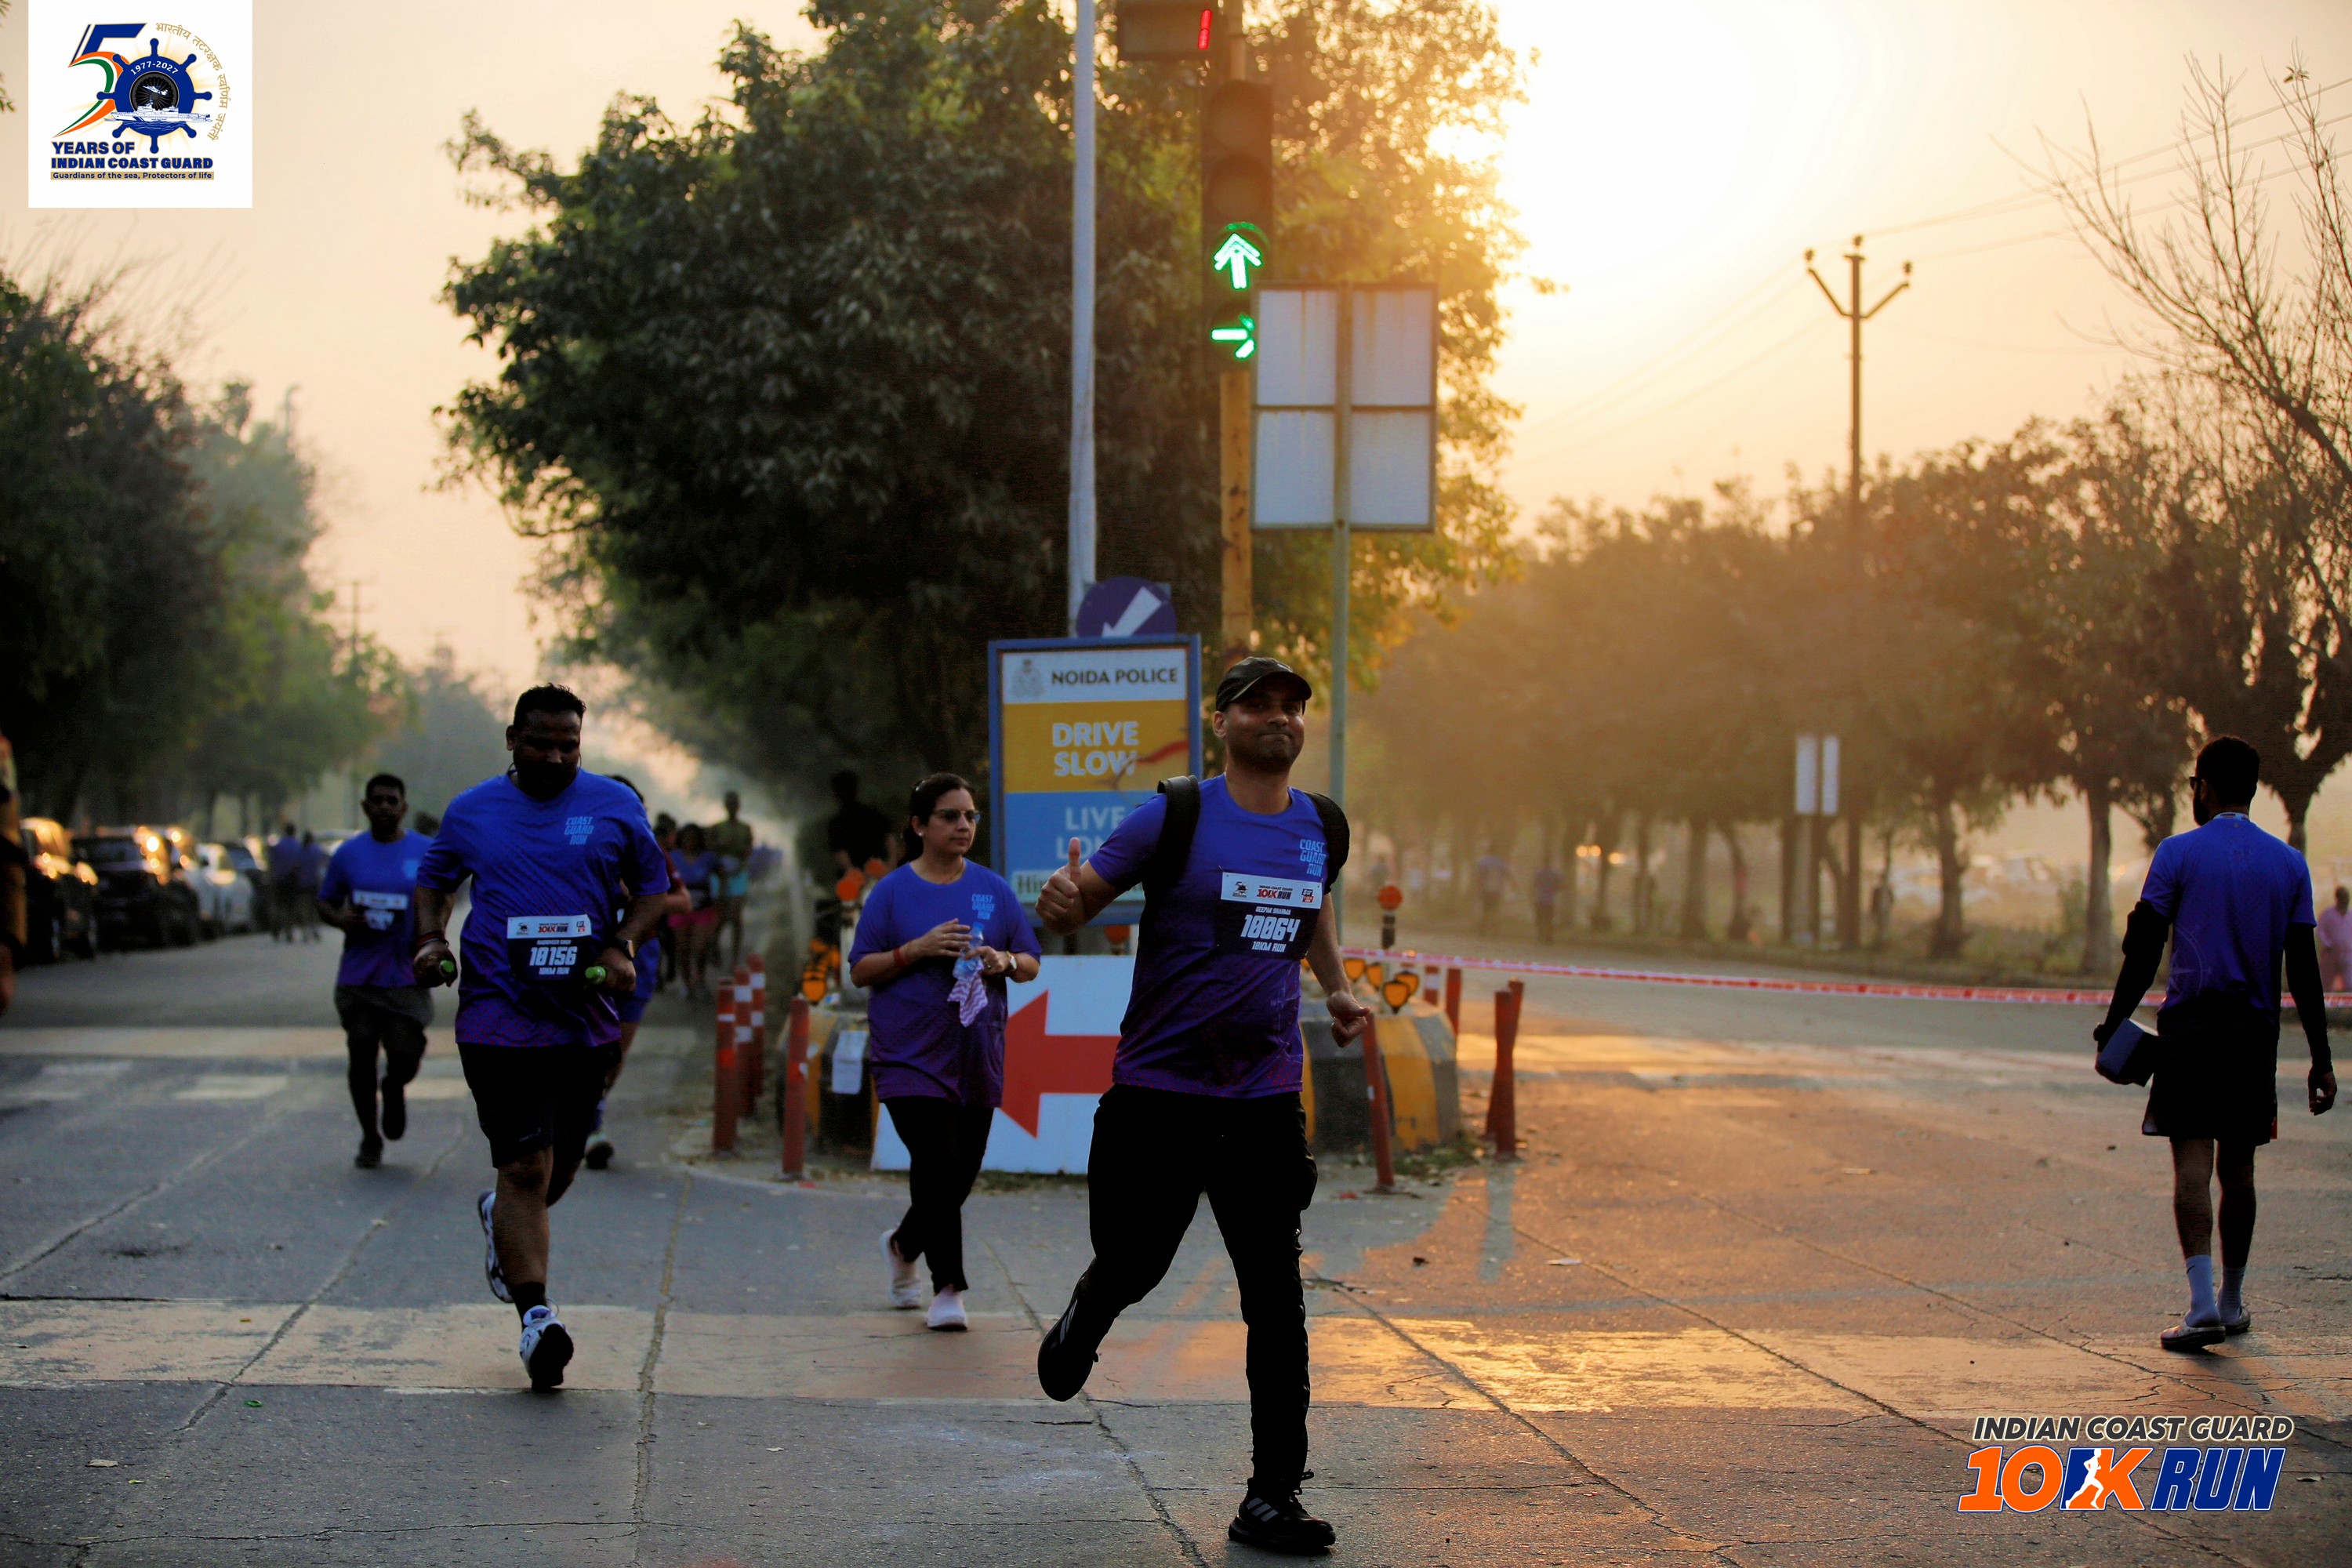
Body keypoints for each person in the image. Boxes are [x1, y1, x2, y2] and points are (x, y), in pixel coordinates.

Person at [1033, 655, 1371, 1555]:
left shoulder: (1321, 825)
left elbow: (1311, 907)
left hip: (1263, 1099)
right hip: (1160, 1094)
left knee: (1276, 1299)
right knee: (1136, 1259)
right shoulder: (1174, 814)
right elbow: (1077, 904)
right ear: (1220, 722)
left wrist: (1337, 986)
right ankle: (1090, 1309)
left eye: (1292, 705)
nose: (1278, 717)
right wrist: (1060, 899)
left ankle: (1272, 1494)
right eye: (1257, 704)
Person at [412, 684, 671, 1392]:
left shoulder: (614, 805)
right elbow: (434, 883)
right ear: (511, 739)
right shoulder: (472, 810)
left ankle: (502, 1218)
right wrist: (432, 939)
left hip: (584, 1018)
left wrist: (622, 944)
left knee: (559, 1169)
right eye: (540, 743)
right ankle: (536, 1320)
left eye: (568, 745)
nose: (555, 757)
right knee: (525, 1166)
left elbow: (654, 891)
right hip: (497, 1014)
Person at [2094, 736, 2336, 1352]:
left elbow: (2144, 947)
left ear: (2203, 786)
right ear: (2251, 789)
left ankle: (2200, 1304)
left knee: (2193, 1166)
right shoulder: (2289, 864)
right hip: (2253, 1035)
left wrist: (2115, 1020)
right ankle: (2231, 1301)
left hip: (2190, 1031)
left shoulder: (2177, 854)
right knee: (2240, 1168)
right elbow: (2303, 969)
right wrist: (2321, 1058)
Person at [848, 774, 1042, 1330]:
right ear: (919, 825)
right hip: (907, 1055)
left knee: (958, 1175)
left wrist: (1004, 961)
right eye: (950, 816)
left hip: (975, 1052)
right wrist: (914, 950)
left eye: (970, 816)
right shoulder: (892, 892)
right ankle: (948, 1289)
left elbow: (1030, 961)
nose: (963, 826)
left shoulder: (993, 889)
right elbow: (861, 969)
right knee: (937, 1161)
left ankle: (904, 1244)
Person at [317, 775, 434, 1169]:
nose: (384, 806)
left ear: (403, 808)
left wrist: (431, 940)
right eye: (377, 800)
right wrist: (341, 919)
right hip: (360, 976)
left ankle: (395, 1085)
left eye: (391, 800)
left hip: (406, 975)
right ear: (366, 807)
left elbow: (442, 898)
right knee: (362, 1050)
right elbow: (325, 902)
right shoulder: (348, 854)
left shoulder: (425, 851)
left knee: (405, 1052)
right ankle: (370, 1137)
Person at [584, 778, 691, 1172]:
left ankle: (592, 1115)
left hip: (637, 958)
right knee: (580, 1041)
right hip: (583, 955)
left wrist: (640, 899)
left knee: (614, 1051)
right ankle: (586, 1123)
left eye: (638, 809)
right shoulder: (575, 842)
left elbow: (683, 901)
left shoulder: (649, 851)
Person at [707, 790, 756, 972]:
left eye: (734, 803)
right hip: (720, 875)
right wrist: (721, 845)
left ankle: (735, 958)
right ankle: (714, 947)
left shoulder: (746, 828)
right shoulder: (717, 828)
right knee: (720, 916)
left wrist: (742, 851)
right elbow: (708, 847)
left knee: (735, 916)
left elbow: (749, 848)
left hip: (738, 874)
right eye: (730, 803)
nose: (732, 807)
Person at [670, 824, 719, 1000]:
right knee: (683, 948)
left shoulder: (709, 858)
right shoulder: (673, 857)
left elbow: (722, 875)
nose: (690, 842)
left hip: (703, 908)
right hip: (679, 909)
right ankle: (686, 983)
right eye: (687, 838)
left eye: (694, 838)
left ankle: (700, 980)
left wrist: (720, 898)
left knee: (700, 947)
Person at [826, 770, 895, 875]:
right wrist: (890, 866)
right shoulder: (873, 814)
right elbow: (890, 841)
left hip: (859, 877)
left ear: (836, 795)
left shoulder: (837, 823)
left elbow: (841, 854)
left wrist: (853, 873)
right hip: (881, 870)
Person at [268, 823, 305, 942]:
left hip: (279, 879)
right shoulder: (298, 846)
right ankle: (289, 931)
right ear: (294, 832)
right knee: (291, 907)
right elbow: (301, 865)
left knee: (279, 905)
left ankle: (277, 926)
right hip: (293, 880)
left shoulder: (278, 846)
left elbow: (271, 862)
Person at [2318, 885, 2352, 993]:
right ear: (2338, 898)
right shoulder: (2328, 914)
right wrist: (2327, 944)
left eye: (2347, 897)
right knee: (2327, 984)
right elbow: (2321, 930)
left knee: (2350, 983)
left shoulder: (2350, 915)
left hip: (2347, 954)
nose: (2345, 900)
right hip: (2331, 954)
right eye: (2343, 897)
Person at [295, 831, 326, 943]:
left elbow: (296, 867)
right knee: (315, 908)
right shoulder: (317, 850)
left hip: (302, 884)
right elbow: (322, 866)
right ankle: (315, 929)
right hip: (315, 883)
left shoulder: (300, 851)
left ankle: (305, 932)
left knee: (304, 908)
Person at [1473, 847, 1513, 936]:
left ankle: (1482, 931)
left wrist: (1478, 888)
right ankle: (1495, 931)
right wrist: (1514, 887)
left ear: (1488, 851)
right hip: (1497, 891)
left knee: (1485, 911)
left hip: (1485, 890)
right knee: (1495, 911)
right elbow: (1508, 875)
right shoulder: (1501, 863)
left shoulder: (1483, 862)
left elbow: (1479, 877)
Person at [1531, 861, 1565, 946]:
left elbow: (1534, 885)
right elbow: (1561, 885)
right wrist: (1554, 890)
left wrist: (1532, 896)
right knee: (1549, 919)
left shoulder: (1539, 873)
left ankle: (1540, 936)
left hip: (1540, 899)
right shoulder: (1555, 874)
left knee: (1540, 919)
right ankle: (1549, 938)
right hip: (1551, 900)